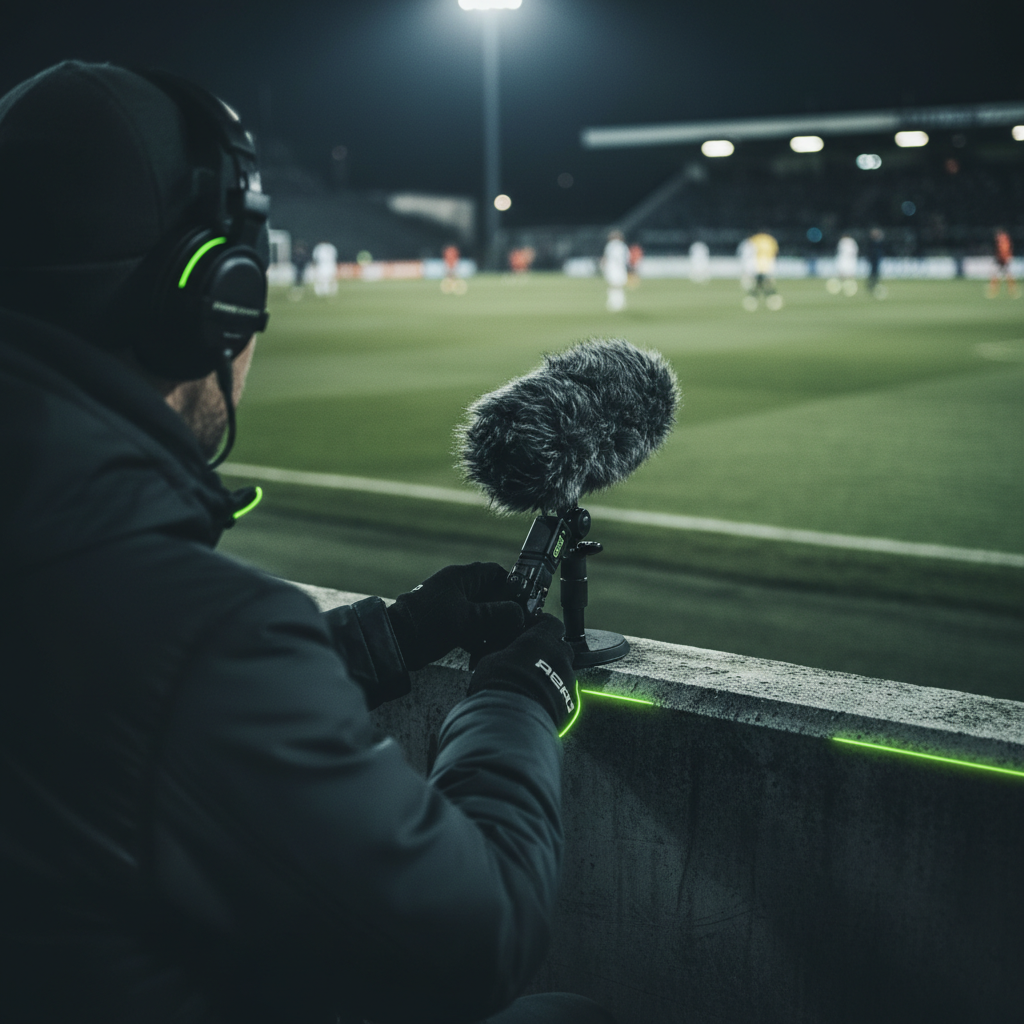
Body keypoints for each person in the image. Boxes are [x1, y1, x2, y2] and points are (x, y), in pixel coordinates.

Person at [0, 62, 614, 1024]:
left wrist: (396, 635)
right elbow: (477, 937)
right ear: (217, 299)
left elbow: (119, 692)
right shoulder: (191, 631)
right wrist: (515, 701)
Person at [744, 230, 782, 310]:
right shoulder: (770, 239)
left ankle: (754, 297)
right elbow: (775, 251)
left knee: (759, 282)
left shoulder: (755, 239)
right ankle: (771, 297)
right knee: (766, 282)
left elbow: (749, 252)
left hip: (757, 264)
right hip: (768, 264)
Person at [601, 229, 629, 311]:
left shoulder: (610, 245)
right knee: (619, 286)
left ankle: (614, 303)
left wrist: (603, 266)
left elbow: (606, 257)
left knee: (613, 286)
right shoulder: (623, 245)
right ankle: (619, 302)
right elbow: (627, 258)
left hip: (612, 268)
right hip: (620, 268)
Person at [988, 228, 1019, 298]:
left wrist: (1006, 258)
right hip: (1001, 259)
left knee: (1007, 275)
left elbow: (1004, 251)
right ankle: (994, 290)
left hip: (1003, 260)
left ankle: (1011, 290)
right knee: (997, 275)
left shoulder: (1003, 242)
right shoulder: (1004, 242)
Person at [866, 227, 886, 297]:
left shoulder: (878, 242)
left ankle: (875, 283)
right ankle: (871, 284)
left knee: (876, 272)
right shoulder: (872, 242)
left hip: (876, 259)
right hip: (873, 260)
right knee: (872, 272)